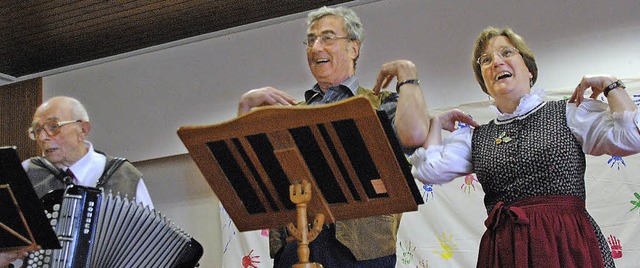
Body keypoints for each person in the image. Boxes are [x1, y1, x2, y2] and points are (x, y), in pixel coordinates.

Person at [404, 26, 640, 267]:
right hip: (507, 252)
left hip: (567, 248)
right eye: (486, 60)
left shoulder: (568, 114)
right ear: (484, 82)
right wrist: (434, 124)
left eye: (506, 53)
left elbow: (632, 137)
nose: (496, 62)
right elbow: (428, 171)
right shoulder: (476, 138)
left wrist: (611, 84)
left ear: (529, 70)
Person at [237, 6, 430, 268]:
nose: (316, 47)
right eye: (311, 40)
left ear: (353, 48)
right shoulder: (288, 115)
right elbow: (248, 175)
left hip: (362, 253)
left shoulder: (380, 104)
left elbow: (415, 137)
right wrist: (246, 107)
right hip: (295, 249)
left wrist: (407, 74)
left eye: (328, 38)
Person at [23, 96, 154, 206]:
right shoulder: (27, 172)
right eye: (38, 130)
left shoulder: (124, 175)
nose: (42, 137)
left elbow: (149, 233)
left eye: (53, 127)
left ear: (83, 129)